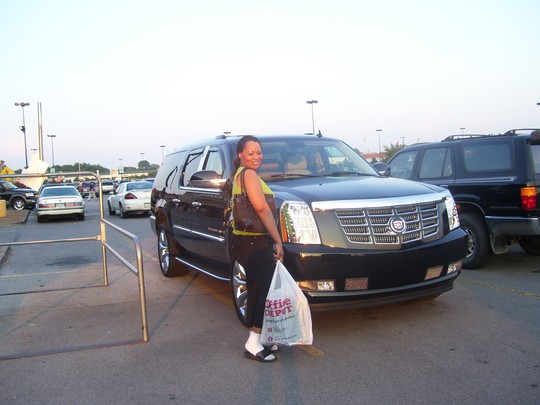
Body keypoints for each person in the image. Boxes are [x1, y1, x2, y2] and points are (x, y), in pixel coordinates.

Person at [230, 135, 284, 363]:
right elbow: (262, 209)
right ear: (240, 154)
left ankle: (260, 338)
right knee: (267, 290)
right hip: (254, 241)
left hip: (245, 241)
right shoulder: (249, 175)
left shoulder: (240, 175)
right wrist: (278, 240)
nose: (256, 157)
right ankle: (253, 342)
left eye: (259, 152)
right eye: (250, 153)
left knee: (256, 289)